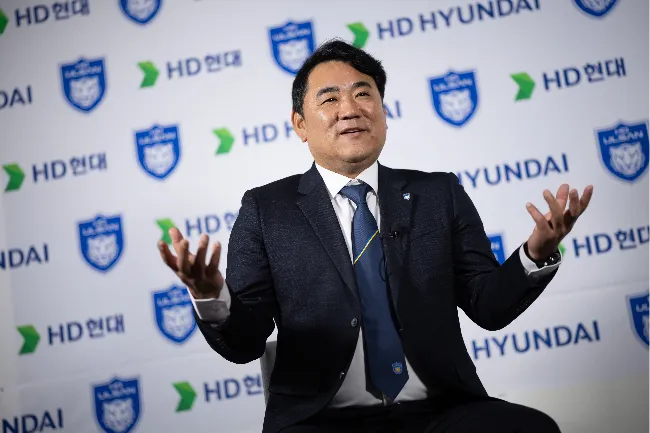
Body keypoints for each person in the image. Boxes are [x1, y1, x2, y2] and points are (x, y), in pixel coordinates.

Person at [158, 39, 593, 433]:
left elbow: (489, 306)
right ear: (300, 124)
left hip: (440, 411)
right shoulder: (266, 210)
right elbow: (244, 341)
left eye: (363, 94)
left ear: (383, 113)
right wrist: (210, 294)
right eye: (330, 98)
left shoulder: (437, 193)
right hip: (322, 420)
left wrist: (535, 253)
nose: (350, 109)